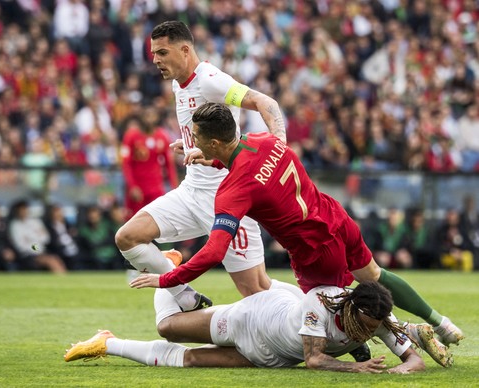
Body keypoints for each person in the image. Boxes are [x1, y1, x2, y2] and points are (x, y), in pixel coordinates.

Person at [130, 102, 465, 347]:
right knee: (376, 276)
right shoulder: (266, 140)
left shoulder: (232, 191)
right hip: (335, 218)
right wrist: (214, 157)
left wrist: (168, 279)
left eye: (197, 139)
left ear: (215, 143)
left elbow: (215, 250)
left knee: (336, 314)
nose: (193, 144)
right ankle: (440, 322)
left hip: (314, 251)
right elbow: (248, 160)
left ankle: (407, 337)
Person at [114, 21, 288, 313]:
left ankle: (324, 315)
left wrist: (279, 145)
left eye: (162, 52)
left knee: (257, 291)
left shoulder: (210, 79)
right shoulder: (176, 83)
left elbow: (263, 101)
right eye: (154, 53)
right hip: (192, 190)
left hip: (226, 196)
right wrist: (191, 143)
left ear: (184, 50)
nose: (155, 59)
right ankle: (186, 297)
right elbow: (212, 130)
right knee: (127, 237)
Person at [65, 281, 453, 370]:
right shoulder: (321, 301)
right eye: (365, 326)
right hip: (253, 319)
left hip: (271, 357)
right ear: (351, 309)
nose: (368, 334)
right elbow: (314, 360)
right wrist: (357, 366)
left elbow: (414, 362)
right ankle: (170, 274)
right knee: (168, 327)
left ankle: (107, 343)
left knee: (191, 362)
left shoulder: (377, 317)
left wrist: (399, 371)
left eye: (375, 328)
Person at [120, 112, 178, 219]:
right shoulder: (131, 136)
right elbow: (126, 164)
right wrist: (132, 186)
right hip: (138, 187)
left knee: (157, 219)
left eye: (152, 115)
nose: (149, 119)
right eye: (147, 115)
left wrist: (174, 187)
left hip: (155, 187)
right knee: (135, 220)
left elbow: (169, 165)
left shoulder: (162, 136)